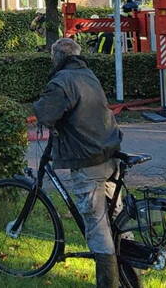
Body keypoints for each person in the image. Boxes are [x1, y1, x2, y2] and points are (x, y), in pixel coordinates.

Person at [33, 37, 129, 288]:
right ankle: (130, 271)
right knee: (117, 215)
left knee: (97, 224)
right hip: (109, 150)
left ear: (56, 58)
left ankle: (109, 283)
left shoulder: (62, 82)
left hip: (88, 159)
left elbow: (46, 113)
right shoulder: (88, 74)